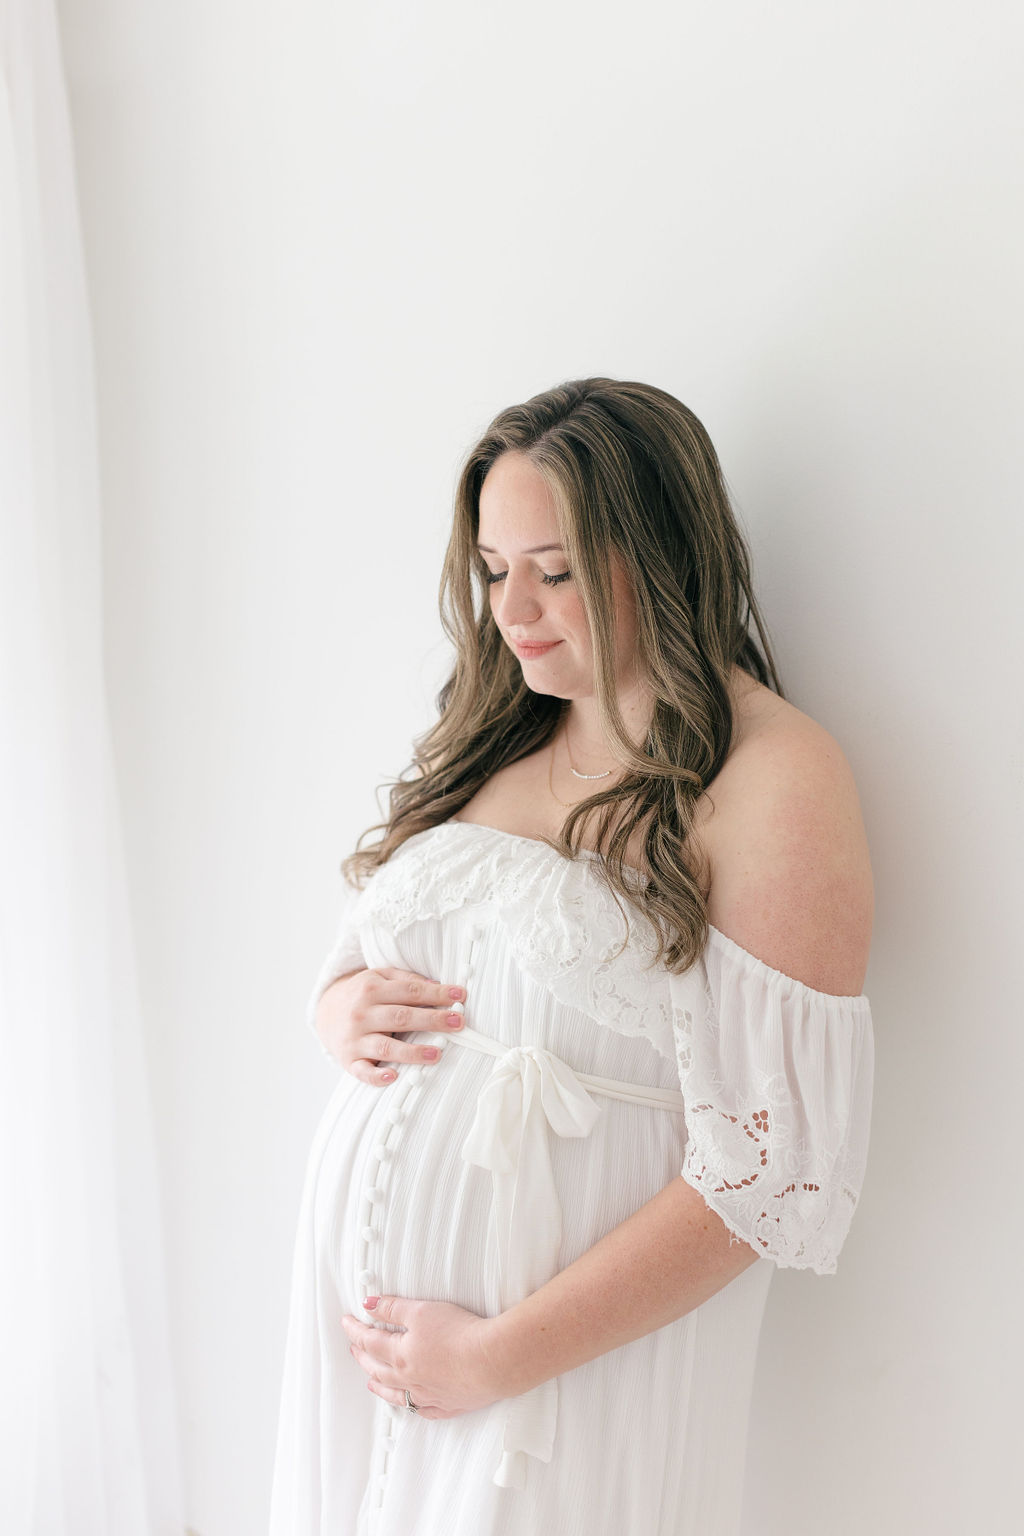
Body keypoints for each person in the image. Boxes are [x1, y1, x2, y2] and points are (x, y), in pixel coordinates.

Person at [268, 377, 876, 1535]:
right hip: (376, 1361)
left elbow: (771, 1176)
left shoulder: (768, 781)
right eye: (494, 572)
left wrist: (499, 1357)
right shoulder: (500, 732)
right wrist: (338, 1007)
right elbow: (382, 952)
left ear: (657, 553)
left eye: (553, 570)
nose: (514, 611)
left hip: (566, 1378)